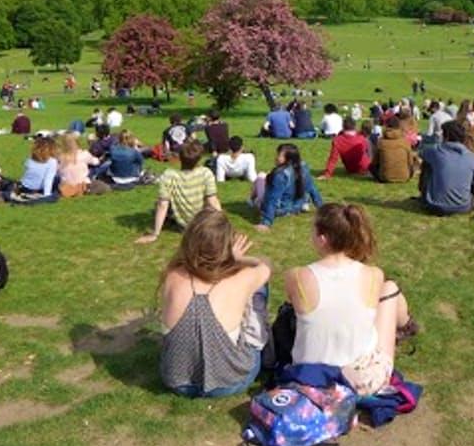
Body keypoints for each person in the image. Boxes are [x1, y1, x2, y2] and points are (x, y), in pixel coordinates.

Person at [285, 203, 417, 396]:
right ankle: (405, 324)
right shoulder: (374, 275)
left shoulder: (296, 276)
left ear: (322, 239)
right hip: (362, 382)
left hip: (309, 378)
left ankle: (405, 324)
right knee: (390, 289)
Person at [160, 209, 271, 397]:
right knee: (259, 287)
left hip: (176, 380)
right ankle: (259, 343)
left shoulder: (172, 275)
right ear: (226, 245)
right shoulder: (241, 278)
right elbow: (266, 265)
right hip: (229, 383)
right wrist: (239, 259)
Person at [138, 140, 221, 244]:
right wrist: (223, 225)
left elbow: (162, 205)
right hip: (203, 223)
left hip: (185, 226)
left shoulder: (169, 176)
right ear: (199, 159)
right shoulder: (206, 173)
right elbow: (213, 201)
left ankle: (169, 220)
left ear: (180, 158)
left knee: (158, 205)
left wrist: (155, 234)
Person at [254, 143, 323, 231]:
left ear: (288, 159)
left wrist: (266, 223)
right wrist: (321, 208)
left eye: (279, 155)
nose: (276, 157)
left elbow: (273, 199)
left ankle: (252, 201)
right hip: (297, 205)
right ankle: (304, 204)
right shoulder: (303, 167)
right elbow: (312, 189)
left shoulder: (280, 175)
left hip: (282, 209)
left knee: (260, 178)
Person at [418, 121, 474, 216]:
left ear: (446, 136)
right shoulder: (472, 157)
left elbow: (421, 153)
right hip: (463, 206)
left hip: (434, 206)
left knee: (427, 164)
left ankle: (428, 194)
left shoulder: (436, 151)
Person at [370, 116, 416, 183]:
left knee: (371, 166)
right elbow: (410, 163)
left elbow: (374, 163)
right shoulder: (405, 142)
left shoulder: (381, 142)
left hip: (384, 177)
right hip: (404, 176)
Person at [57, 131, 100, 197]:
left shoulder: (59, 157)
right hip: (83, 183)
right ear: (77, 142)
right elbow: (96, 162)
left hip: (66, 184)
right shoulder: (84, 154)